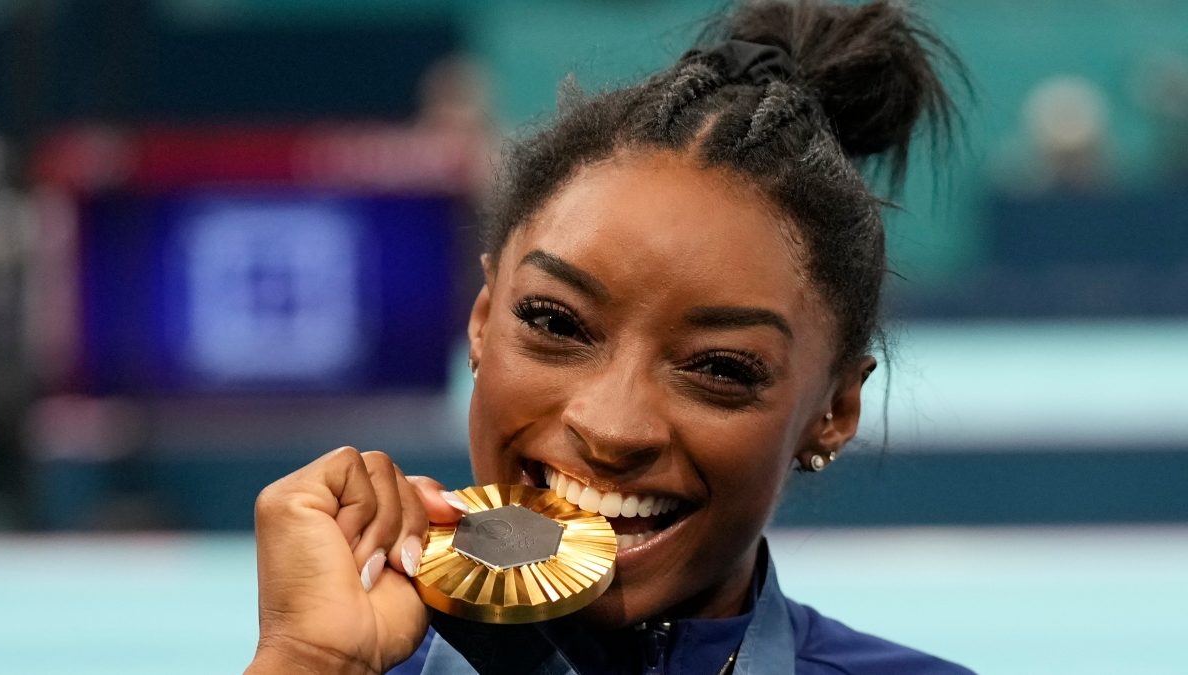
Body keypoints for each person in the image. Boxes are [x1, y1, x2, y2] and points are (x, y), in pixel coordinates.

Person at [244, 1, 973, 673]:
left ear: (834, 410)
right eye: (555, 323)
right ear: (481, 318)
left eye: (719, 367)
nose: (612, 428)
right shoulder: (353, 658)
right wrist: (310, 659)